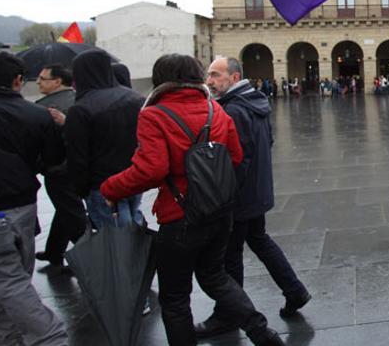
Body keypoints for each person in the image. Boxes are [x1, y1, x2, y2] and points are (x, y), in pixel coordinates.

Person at [100, 54, 283, 346]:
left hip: (180, 215)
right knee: (216, 277)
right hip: (219, 211)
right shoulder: (215, 110)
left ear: (161, 80)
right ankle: (263, 333)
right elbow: (234, 156)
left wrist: (110, 188)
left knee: (175, 298)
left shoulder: (154, 114)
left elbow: (151, 169)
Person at [196, 58, 311, 338]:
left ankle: (227, 314)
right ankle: (295, 291)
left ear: (234, 77)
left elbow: (239, 159)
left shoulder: (234, 109)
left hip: (239, 197)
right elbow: (266, 143)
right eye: (208, 75)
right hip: (256, 191)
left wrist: (224, 196)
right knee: (259, 240)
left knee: (230, 256)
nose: (209, 81)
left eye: (215, 75)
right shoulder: (254, 102)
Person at [0, 52, 69, 346]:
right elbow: (54, 159)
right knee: (14, 276)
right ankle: (0, 338)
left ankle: (48, 334)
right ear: (18, 80)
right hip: (23, 204)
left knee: (7, 281)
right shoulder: (37, 115)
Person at [65, 49, 145, 228]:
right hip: (134, 177)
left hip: (102, 185)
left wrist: (80, 189)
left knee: (113, 242)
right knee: (134, 230)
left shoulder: (81, 109)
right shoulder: (136, 98)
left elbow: (77, 156)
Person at [34, 64, 87, 268]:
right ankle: (54, 251)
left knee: (72, 213)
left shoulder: (45, 107)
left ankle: (89, 257)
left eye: (43, 78)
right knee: (65, 209)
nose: (38, 82)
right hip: (77, 167)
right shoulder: (79, 100)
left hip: (59, 170)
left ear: (57, 81)